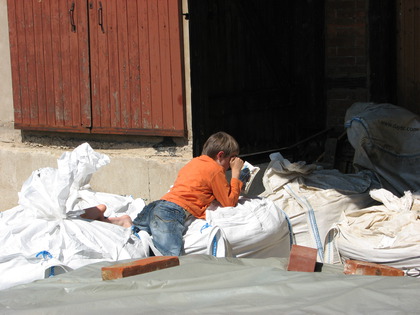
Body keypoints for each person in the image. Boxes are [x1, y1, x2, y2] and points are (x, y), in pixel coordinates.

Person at [132, 131, 245, 256]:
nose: (230, 166)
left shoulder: (194, 162)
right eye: (232, 160)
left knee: (135, 239)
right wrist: (236, 175)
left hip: (157, 206)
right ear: (220, 155)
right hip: (170, 213)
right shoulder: (215, 169)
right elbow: (229, 202)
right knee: (171, 259)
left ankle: (123, 221)